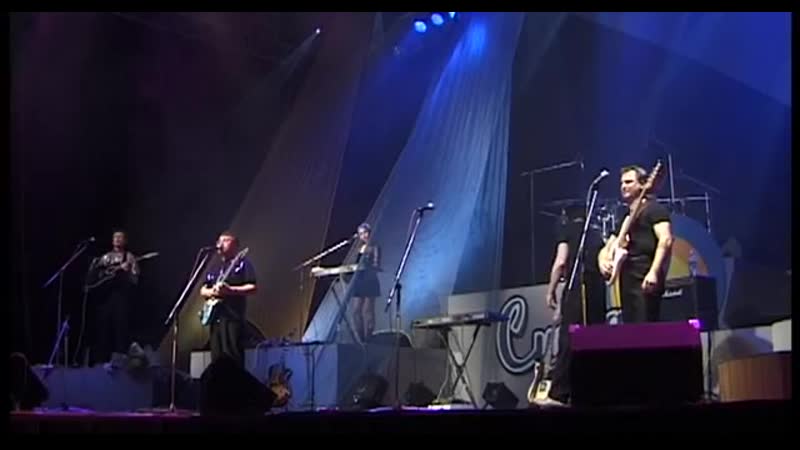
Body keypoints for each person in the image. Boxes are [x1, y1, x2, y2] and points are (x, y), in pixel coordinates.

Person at [534, 204, 606, 407]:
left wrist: (551, 290)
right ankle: (594, 390)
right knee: (595, 337)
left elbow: (561, 261)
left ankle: (560, 392)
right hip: (596, 291)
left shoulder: (567, 231)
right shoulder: (596, 235)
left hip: (576, 287)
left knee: (568, 339)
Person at [598, 165, 674, 323]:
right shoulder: (626, 217)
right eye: (622, 183)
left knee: (645, 326)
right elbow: (609, 245)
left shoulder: (654, 209)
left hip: (645, 274)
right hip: (627, 279)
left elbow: (666, 240)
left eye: (629, 182)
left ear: (642, 184)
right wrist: (603, 260)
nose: (623, 186)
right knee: (630, 328)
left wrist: (654, 272)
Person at [200, 231, 257, 367]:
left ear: (235, 245)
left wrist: (230, 290)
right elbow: (203, 289)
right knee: (217, 358)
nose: (220, 243)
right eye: (219, 241)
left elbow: (253, 287)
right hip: (216, 318)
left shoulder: (242, 264)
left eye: (225, 240)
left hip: (233, 318)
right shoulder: (215, 267)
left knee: (232, 356)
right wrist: (212, 292)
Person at [88, 230, 140, 368]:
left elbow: (135, 280)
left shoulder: (129, 257)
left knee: (121, 330)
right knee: (103, 329)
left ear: (125, 241)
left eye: (120, 237)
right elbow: (95, 276)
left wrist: (129, 270)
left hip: (121, 298)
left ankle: (120, 362)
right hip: (105, 298)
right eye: (115, 237)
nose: (117, 239)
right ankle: (101, 361)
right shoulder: (105, 257)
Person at [350, 223, 381, 343]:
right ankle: (361, 340)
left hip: (370, 280)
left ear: (370, 232)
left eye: (365, 232)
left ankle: (369, 339)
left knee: (368, 310)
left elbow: (377, 264)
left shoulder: (375, 246)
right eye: (361, 234)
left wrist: (369, 266)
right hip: (360, 281)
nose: (363, 236)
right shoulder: (359, 248)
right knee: (356, 311)